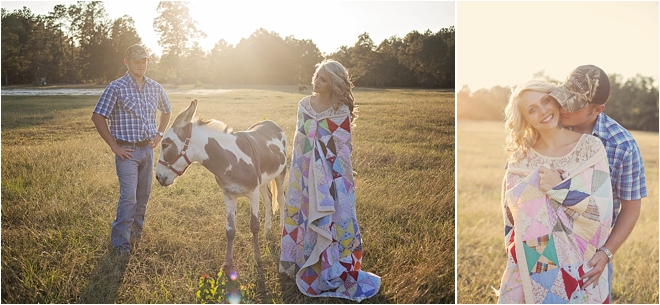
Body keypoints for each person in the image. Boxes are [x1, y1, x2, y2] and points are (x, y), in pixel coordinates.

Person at [497, 80, 613, 303]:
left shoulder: (590, 148)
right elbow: (512, 222)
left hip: (584, 262)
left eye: (545, 101)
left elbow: (602, 211)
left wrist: (559, 188)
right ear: (526, 119)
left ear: (556, 100)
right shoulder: (520, 161)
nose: (543, 111)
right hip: (538, 264)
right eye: (532, 109)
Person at [279, 59, 381, 301]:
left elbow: (343, 149)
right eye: (316, 75)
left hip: (333, 177)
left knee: (337, 217)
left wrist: (326, 170)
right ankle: (300, 260)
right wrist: (306, 170)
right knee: (301, 212)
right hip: (303, 174)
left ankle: (331, 264)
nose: (316, 81)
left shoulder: (340, 111)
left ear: (334, 83)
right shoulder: (304, 105)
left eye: (323, 79)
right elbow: (299, 143)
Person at [551, 65, 647, 294]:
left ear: (598, 109)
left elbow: (631, 208)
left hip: (590, 250)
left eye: (573, 105)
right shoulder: (551, 126)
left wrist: (606, 253)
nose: (563, 107)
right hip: (547, 242)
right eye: (563, 98)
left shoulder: (622, 145)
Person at [91, 44, 172, 255]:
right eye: (137, 61)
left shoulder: (155, 87)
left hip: (148, 150)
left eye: (144, 61)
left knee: (143, 196)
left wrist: (159, 133)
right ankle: (121, 244)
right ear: (127, 62)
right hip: (126, 152)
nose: (141, 65)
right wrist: (114, 145)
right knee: (129, 197)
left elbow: (166, 111)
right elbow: (98, 116)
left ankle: (136, 235)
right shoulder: (116, 87)